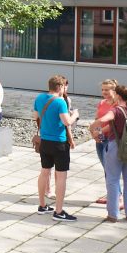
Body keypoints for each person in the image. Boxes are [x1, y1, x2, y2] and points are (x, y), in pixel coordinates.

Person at [89, 84, 127, 223]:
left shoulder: (116, 110)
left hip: (115, 147)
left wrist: (94, 129)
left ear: (117, 95)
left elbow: (101, 120)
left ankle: (113, 214)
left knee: (112, 180)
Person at [32, 75, 80, 221]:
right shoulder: (60, 102)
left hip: (45, 141)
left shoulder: (39, 98)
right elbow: (67, 122)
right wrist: (75, 115)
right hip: (59, 143)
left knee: (44, 172)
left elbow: (35, 116)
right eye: (64, 87)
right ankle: (59, 211)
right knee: (61, 177)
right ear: (59, 87)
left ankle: (42, 205)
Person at [92, 79, 121, 208]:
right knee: (106, 168)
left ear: (114, 90)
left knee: (111, 170)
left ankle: (118, 197)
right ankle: (111, 195)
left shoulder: (118, 105)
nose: (104, 92)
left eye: (107, 90)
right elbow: (97, 119)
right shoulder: (102, 103)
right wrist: (96, 134)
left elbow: (114, 124)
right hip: (101, 139)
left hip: (112, 140)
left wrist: (99, 132)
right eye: (102, 89)